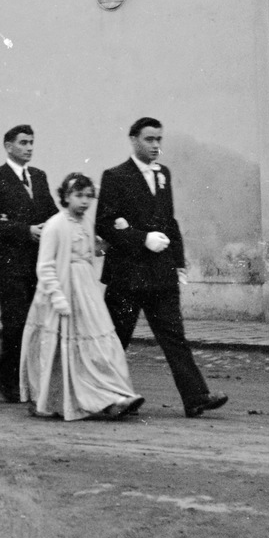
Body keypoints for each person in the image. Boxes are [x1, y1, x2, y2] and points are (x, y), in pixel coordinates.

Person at [96, 118, 227, 419]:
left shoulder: (163, 174)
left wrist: (178, 262)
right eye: (149, 139)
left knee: (174, 337)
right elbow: (103, 224)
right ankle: (102, 397)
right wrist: (142, 239)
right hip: (127, 275)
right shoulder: (115, 176)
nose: (156, 146)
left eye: (159, 140)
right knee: (115, 340)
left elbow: (170, 221)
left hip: (160, 273)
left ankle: (196, 397)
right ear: (133, 140)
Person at [21, 174, 144, 420]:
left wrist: (109, 240)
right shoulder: (55, 225)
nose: (85, 201)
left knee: (97, 345)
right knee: (61, 350)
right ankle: (61, 398)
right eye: (79, 196)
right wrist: (57, 297)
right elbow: (45, 266)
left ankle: (112, 395)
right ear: (65, 197)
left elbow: (89, 252)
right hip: (61, 291)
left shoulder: (87, 222)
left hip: (85, 291)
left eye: (89, 196)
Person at [0, 124, 57, 403]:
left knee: (38, 323)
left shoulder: (38, 176)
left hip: (39, 262)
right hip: (11, 263)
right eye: (23, 143)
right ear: (9, 146)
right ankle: (7, 378)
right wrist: (25, 231)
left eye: (32, 142)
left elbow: (51, 211)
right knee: (14, 322)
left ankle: (32, 378)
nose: (29, 147)